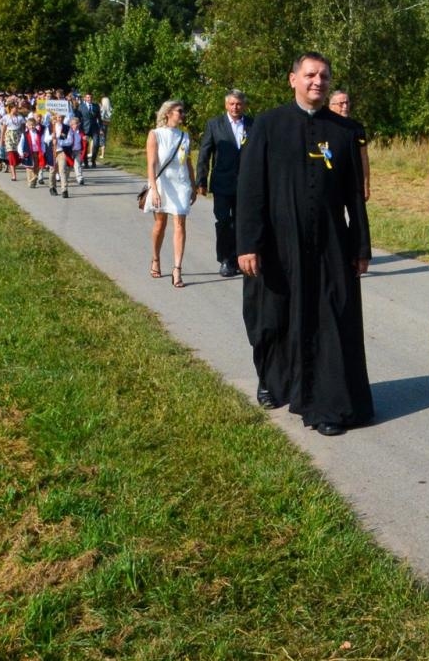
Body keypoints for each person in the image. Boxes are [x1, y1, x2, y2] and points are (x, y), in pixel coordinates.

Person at [236, 52, 372, 436]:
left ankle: (326, 403)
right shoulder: (266, 125)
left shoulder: (343, 133)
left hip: (330, 244)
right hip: (278, 244)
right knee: (271, 319)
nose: (318, 81)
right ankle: (272, 379)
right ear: (292, 78)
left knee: (330, 319)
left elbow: (354, 199)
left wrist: (361, 248)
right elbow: (250, 191)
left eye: (325, 76)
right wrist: (248, 243)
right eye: (310, 75)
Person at [197, 89, 252, 278]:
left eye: (238, 104)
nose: (235, 107)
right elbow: (204, 152)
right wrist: (201, 180)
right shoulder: (215, 124)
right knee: (223, 222)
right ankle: (225, 259)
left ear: (243, 105)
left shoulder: (252, 124)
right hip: (222, 182)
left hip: (245, 183)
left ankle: (238, 258)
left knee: (240, 222)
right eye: (232, 104)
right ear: (226, 105)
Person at [144, 99, 195, 287]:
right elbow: (150, 164)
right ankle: (156, 258)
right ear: (168, 113)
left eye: (183, 111)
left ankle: (177, 269)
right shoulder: (155, 134)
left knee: (180, 223)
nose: (182, 114)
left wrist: (193, 184)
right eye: (179, 111)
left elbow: (188, 162)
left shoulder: (185, 136)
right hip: (162, 183)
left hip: (181, 183)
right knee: (160, 224)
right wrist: (154, 190)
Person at [328, 88, 371, 201]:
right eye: (341, 104)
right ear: (331, 106)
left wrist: (366, 185)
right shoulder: (324, 128)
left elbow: (364, 158)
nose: (345, 106)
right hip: (330, 185)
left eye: (347, 103)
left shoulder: (357, 128)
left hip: (353, 184)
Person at [18, 113, 47, 187]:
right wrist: (21, 152)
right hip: (28, 152)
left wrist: (43, 151)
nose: (32, 126)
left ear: (35, 125)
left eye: (33, 125)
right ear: (27, 125)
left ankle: (34, 179)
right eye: (30, 125)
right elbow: (21, 144)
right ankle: (31, 181)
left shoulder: (39, 133)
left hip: (37, 152)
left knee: (37, 167)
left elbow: (42, 142)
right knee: (29, 168)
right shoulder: (25, 134)